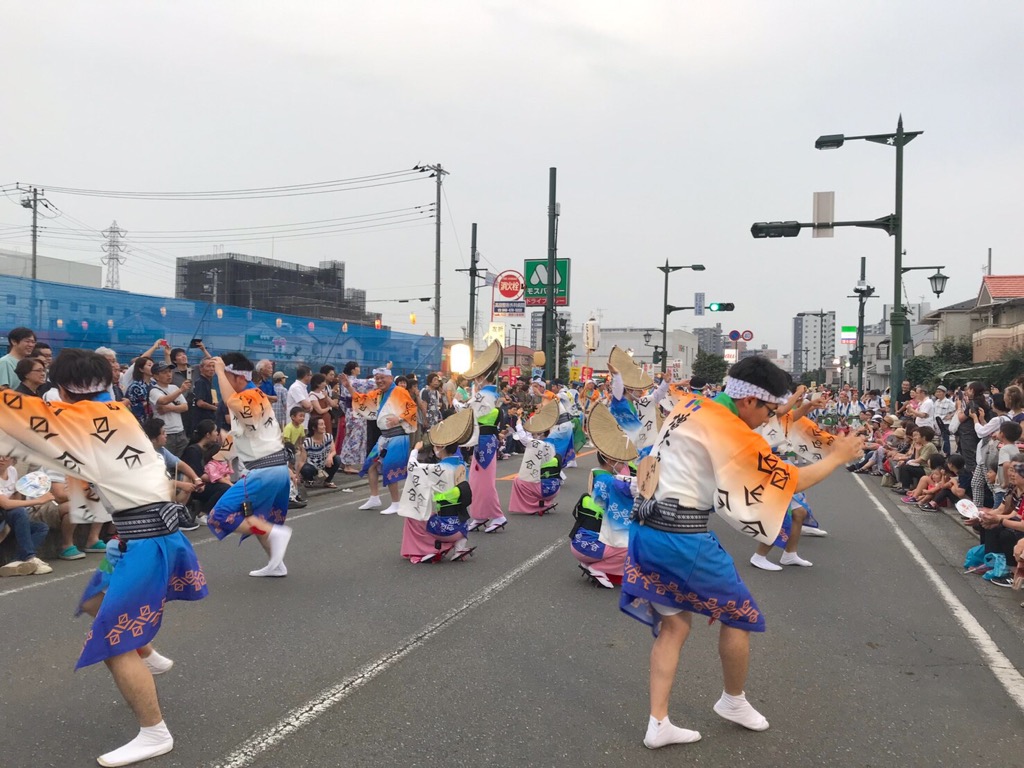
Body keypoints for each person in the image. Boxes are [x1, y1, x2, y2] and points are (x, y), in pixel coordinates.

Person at [619, 356, 863, 748]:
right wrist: (837, 457)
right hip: (683, 537)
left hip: (645, 529)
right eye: (767, 409)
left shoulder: (691, 405)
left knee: (676, 626)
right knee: (742, 616)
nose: (769, 417)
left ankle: (659, 723)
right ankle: (733, 701)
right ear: (748, 400)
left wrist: (794, 412)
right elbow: (791, 479)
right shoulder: (732, 430)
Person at [0, 348, 207, 766]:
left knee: (114, 644)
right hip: (138, 534)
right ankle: (148, 654)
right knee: (94, 602)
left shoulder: (82, 419)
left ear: (63, 387)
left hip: (145, 538)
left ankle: (154, 732)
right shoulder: (114, 411)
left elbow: (14, 418)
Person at [206, 354, 293, 578]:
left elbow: (230, 401)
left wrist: (218, 370)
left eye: (225, 377)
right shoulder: (253, 396)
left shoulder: (249, 396)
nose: (222, 382)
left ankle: (275, 533)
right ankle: (277, 564)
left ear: (236, 377)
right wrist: (219, 456)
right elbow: (241, 435)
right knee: (258, 519)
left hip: (264, 471)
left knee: (219, 515)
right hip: (274, 469)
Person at [570, 403, 637, 588]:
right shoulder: (613, 481)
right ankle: (599, 567)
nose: (622, 461)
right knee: (634, 547)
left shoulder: (599, 475)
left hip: (582, 539)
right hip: (593, 543)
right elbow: (635, 487)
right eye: (618, 459)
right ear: (609, 459)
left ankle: (594, 564)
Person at [398, 409, 476, 563]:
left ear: (441, 447)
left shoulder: (439, 468)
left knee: (413, 516)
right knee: (441, 509)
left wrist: (415, 451)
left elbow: (413, 468)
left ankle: (432, 548)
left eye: (436, 446)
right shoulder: (461, 465)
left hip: (445, 528)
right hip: (462, 526)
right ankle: (459, 545)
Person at [346, 367, 419, 515]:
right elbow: (362, 400)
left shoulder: (399, 391)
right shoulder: (379, 393)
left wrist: (398, 418)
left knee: (390, 468)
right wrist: (348, 387)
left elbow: (412, 408)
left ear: (390, 378)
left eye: (382, 378)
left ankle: (396, 503)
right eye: (377, 378)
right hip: (384, 436)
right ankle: (374, 497)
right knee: (371, 465)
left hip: (398, 435)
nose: (379, 381)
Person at [463, 342, 507, 533]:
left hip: (485, 439)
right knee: (476, 480)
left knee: (485, 482)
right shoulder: (486, 395)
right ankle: (480, 515)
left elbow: (467, 412)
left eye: (477, 378)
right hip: (483, 438)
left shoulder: (483, 396)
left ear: (482, 377)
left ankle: (498, 515)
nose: (475, 381)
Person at [0, 456, 54, 576]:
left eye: (6, 456)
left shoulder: (12, 471)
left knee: (41, 528)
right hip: (2, 515)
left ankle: (16, 563)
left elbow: (15, 496)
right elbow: (6, 504)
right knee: (19, 511)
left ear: (12, 460)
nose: (2, 459)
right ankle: (29, 557)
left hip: (7, 515)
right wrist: (39, 501)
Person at [508, 400, 563, 516]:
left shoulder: (535, 444)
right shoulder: (551, 443)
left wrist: (518, 421)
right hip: (555, 488)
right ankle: (545, 503)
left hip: (541, 489)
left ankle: (533, 505)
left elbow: (523, 438)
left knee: (518, 481)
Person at [179, 420, 231, 519]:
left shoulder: (211, 448)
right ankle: (203, 514)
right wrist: (220, 479)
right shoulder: (193, 451)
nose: (217, 433)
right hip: (195, 486)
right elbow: (199, 475)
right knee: (224, 488)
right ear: (207, 434)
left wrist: (224, 475)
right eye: (215, 431)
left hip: (207, 481)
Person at [148, 362, 192, 456]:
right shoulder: (154, 390)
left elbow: (185, 407)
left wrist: (169, 408)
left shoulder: (174, 387)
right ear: (156, 376)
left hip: (180, 431)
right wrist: (181, 390)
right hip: (165, 433)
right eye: (164, 372)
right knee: (166, 462)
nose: (169, 374)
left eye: (169, 371)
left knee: (181, 461)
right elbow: (163, 401)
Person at [301, 414, 339, 489]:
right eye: (321, 425)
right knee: (306, 468)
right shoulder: (307, 442)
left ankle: (327, 481)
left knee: (337, 459)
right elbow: (302, 461)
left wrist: (330, 456)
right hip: (313, 466)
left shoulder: (328, 437)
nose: (324, 426)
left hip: (325, 464)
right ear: (314, 428)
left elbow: (334, 451)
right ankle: (309, 480)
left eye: (324, 424)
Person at [124, 356, 155, 423]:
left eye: (153, 365)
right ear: (141, 369)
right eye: (149, 365)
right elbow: (131, 406)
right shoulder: (135, 386)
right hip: (141, 421)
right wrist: (147, 403)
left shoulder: (155, 384)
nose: (153, 367)